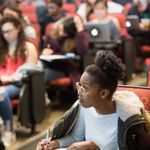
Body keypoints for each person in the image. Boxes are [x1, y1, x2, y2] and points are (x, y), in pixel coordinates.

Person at [37, 50, 150, 150]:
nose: (79, 92)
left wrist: (95, 148)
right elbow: (76, 137)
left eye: (84, 88)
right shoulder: (84, 107)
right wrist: (55, 144)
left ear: (103, 93)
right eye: (79, 85)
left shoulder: (128, 121)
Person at [0, 16, 38, 147]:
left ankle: (9, 131)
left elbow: (29, 70)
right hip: (2, 82)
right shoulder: (2, 47)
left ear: (18, 28)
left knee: (1, 94)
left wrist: (11, 78)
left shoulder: (28, 46)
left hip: (18, 84)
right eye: (3, 32)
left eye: (9, 31)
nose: (6, 35)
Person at [42, 15, 89, 82]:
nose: (61, 33)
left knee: (42, 75)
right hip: (49, 64)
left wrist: (80, 28)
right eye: (60, 29)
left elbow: (82, 50)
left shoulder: (76, 39)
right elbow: (46, 47)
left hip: (65, 68)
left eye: (64, 31)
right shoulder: (52, 36)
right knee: (36, 72)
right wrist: (45, 51)